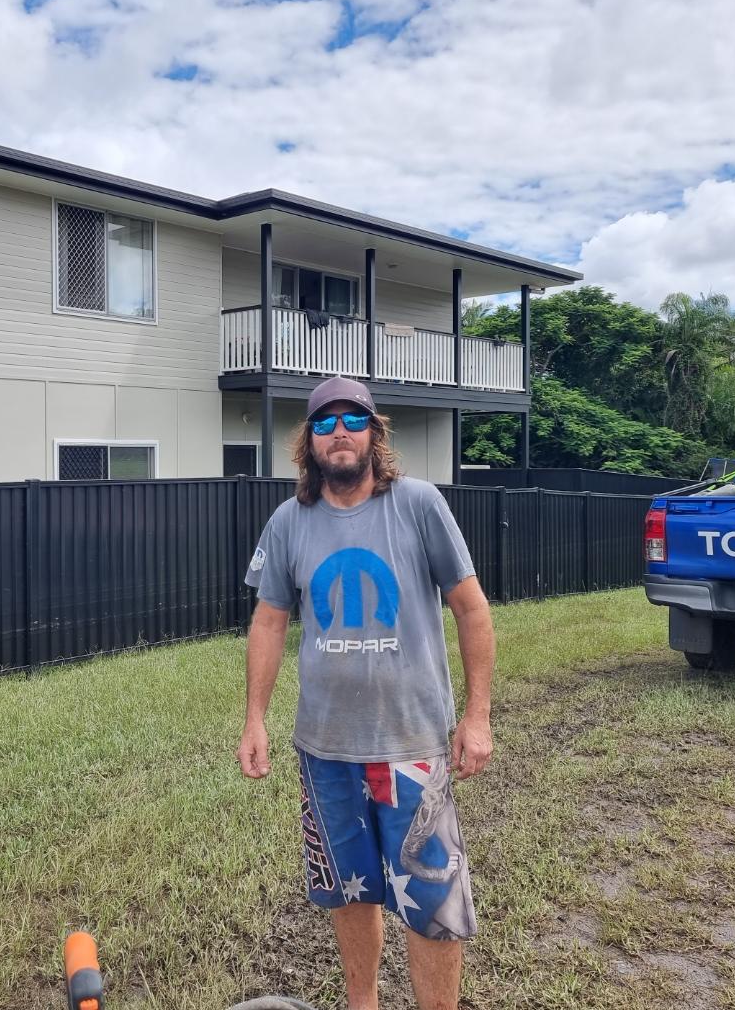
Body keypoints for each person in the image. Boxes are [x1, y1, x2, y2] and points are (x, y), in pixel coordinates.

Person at [236, 376, 495, 1010]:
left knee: (431, 904)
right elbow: (269, 622)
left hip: (411, 748)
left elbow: (472, 608)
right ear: (309, 443)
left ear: (375, 435)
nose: (339, 433)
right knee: (349, 892)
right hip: (324, 752)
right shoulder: (289, 521)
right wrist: (255, 719)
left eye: (354, 421)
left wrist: (477, 714)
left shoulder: (418, 504)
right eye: (324, 424)